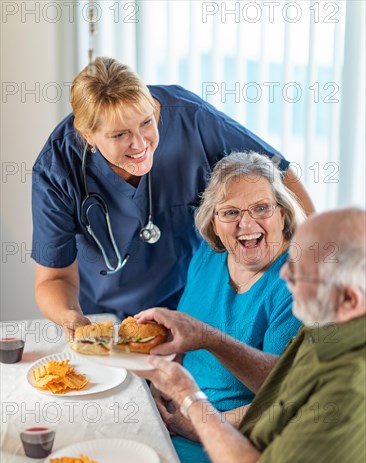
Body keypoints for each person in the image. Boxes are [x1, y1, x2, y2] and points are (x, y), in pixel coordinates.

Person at [31, 57, 314, 337]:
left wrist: (315, 257)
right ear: (88, 135)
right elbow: (54, 278)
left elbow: (279, 173)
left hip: (185, 298)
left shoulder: (192, 120)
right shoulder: (56, 168)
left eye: (146, 122)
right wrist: (73, 319)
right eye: (120, 135)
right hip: (101, 314)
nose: (140, 144)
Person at [134, 207, 366, 463]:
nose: (284, 275)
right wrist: (204, 335)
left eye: (300, 273)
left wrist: (189, 398)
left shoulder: (354, 392)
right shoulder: (333, 322)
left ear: (349, 299)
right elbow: (279, 382)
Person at [135, 150, 305, 463]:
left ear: (282, 214)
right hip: (177, 413)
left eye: (261, 208)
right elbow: (181, 337)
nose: (247, 224)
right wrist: (160, 390)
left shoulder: (297, 285)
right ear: (214, 221)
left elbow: (283, 400)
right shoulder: (210, 255)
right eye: (230, 212)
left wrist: (195, 421)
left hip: (234, 442)